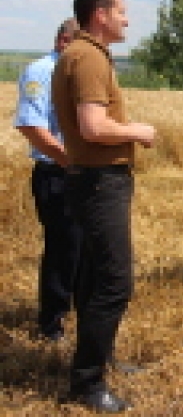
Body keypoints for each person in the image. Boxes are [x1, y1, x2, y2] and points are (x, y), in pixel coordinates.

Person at [51, 0, 156, 413]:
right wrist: (139, 131)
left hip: (90, 179)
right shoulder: (89, 56)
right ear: (101, 15)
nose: (127, 19)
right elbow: (94, 127)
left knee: (94, 277)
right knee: (115, 281)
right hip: (99, 182)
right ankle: (88, 383)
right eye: (121, 11)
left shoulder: (77, 53)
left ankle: (99, 357)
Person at [14, 18, 82, 342]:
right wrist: (69, 160)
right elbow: (31, 127)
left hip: (82, 172)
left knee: (84, 248)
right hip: (57, 173)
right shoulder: (41, 72)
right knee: (63, 248)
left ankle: (79, 315)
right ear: (63, 42)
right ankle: (51, 324)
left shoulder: (79, 70)